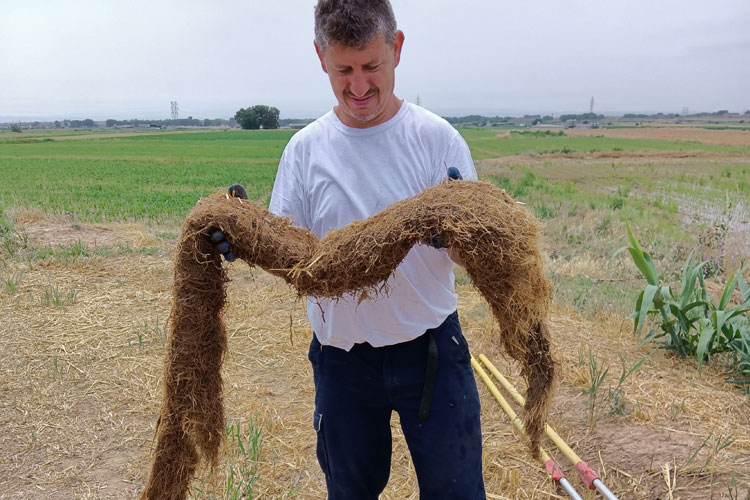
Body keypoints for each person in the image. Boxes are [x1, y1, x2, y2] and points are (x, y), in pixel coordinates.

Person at [224, 1, 486, 498]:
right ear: (321, 56)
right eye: (344, 69)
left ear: (397, 48)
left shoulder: (436, 140)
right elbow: (291, 249)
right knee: (350, 492)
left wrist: (462, 236)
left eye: (372, 66)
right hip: (342, 360)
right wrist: (245, 235)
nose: (360, 86)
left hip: (430, 351)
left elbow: (469, 258)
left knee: (457, 492)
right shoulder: (305, 150)